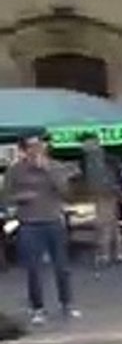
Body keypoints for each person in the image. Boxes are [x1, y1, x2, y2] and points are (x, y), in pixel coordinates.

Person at [0, 133, 79, 323]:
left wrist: (49, 172)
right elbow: (5, 198)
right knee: (33, 268)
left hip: (53, 220)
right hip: (29, 223)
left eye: (40, 146)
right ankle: (38, 308)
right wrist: (21, 198)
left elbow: (67, 193)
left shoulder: (54, 166)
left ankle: (66, 304)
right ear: (23, 150)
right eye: (32, 147)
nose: (37, 150)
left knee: (62, 266)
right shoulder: (15, 171)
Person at [79, 132, 122, 267]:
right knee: (111, 222)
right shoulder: (90, 159)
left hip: (106, 192)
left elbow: (115, 174)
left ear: (95, 142)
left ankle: (104, 253)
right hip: (103, 192)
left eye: (85, 143)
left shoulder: (104, 159)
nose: (83, 146)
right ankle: (118, 252)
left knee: (103, 223)